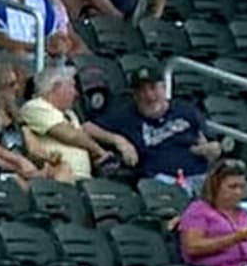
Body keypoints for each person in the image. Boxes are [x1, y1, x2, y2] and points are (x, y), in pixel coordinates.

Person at [89, 68, 219, 187]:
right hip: (161, 182)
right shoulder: (127, 116)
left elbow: (214, 146)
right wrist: (119, 141)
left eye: (153, 88)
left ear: (164, 88)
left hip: (200, 176)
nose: (149, 96)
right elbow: (87, 127)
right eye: (142, 91)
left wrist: (210, 149)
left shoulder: (186, 109)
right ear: (135, 96)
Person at [19, 64, 131, 180]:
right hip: (58, 178)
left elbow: (83, 137)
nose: (76, 93)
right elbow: (71, 135)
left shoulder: (70, 114)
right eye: (72, 87)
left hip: (83, 180)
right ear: (56, 87)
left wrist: (98, 157)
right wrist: (100, 151)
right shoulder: (36, 106)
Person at [178, 159, 247, 266]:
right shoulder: (198, 210)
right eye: (232, 187)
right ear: (215, 186)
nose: (238, 192)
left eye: (241, 187)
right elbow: (192, 247)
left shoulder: (244, 214)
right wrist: (236, 238)